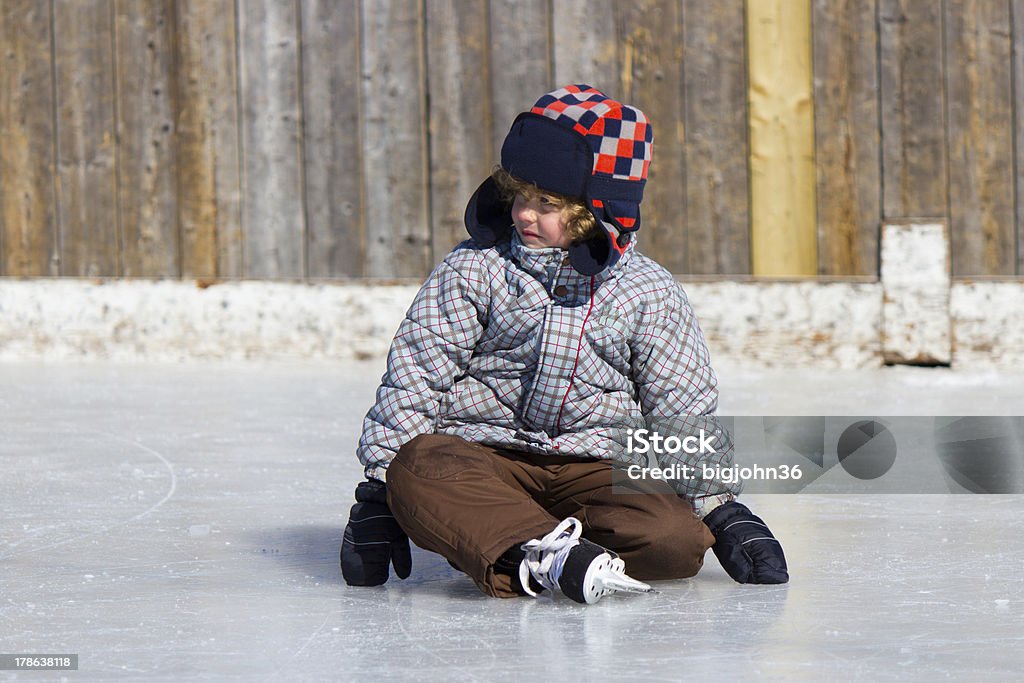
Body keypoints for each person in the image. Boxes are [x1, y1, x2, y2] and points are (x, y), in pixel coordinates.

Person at [340, 85, 788, 604]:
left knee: (676, 542)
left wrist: (720, 507)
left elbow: (680, 406)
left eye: (547, 203)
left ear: (595, 210)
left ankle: (519, 544)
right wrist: (378, 492)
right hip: (485, 457)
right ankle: (543, 550)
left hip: (596, 465)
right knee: (418, 467)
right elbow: (417, 376)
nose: (525, 214)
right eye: (519, 195)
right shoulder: (474, 270)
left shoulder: (646, 290)